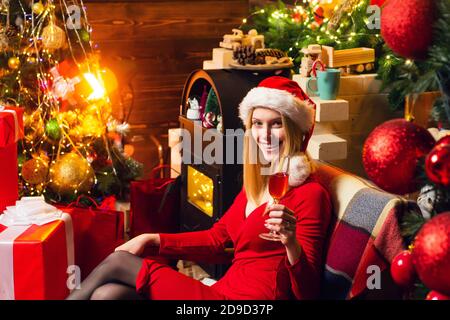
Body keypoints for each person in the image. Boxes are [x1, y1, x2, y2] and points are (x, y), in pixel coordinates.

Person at [67, 76, 332, 300]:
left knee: (118, 262)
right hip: (225, 290)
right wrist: (153, 239)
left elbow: (308, 292)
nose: (265, 134)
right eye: (258, 124)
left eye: (277, 124)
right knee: (109, 294)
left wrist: (291, 242)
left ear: (295, 130)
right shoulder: (259, 182)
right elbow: (216, 240)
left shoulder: (310, 194)